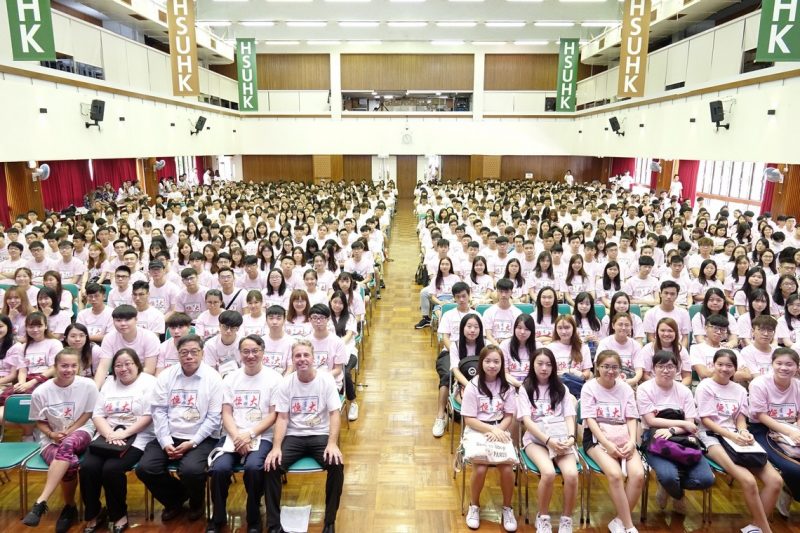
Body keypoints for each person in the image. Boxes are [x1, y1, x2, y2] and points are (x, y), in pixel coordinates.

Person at [135, 334, 223, 522]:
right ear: (178, 354)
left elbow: (214, 418)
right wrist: (166, 441)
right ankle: (175, 499)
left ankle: (196, 503)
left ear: (202, 353)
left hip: (202, 437)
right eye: (184, 352)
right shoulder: (166, 376)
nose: (189, 356)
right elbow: (158, 412)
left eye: (194, 352)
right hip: (170, 434)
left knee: (191, 471)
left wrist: (192, 443)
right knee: (145, 468)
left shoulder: (213, 378)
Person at [695, 349, 782, 533]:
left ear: (735, 368)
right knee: (748, 481)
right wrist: (732, 436)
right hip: (711, 436)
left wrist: (743, 432)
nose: (724, 369)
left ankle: (756, 527)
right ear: (713, 365)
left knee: (775, 481)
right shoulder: (705, 386)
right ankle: (766, 530)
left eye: (729, 365)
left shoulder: (740, 390)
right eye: (720, 364)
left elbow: (740, 419)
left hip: (736, 437)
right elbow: (707, 421)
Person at [264, 340, 344, 533]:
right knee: (271, 466)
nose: (302, 359)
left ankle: (330, 521)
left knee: (336, 464)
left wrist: (332, 443)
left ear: (313, 358)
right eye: (297, 356)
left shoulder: (326, 380)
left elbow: (334, 413)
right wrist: (276, 448)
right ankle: (274, 525)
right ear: (292, 359)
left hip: (319, 435)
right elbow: (282, 417)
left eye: (305, 355)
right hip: (294, 436)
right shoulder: (285, 383)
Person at [207, 335, 282, 533]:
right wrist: (237, 436)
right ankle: (218, 518)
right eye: (246, 352)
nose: (250, 355)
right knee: (219, 469)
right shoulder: (231, 378)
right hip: (233, 435)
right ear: (239, 354)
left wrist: (249, 434)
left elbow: (274, 414)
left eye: (255, 351)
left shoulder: (274, 378)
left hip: (261, 435)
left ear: (263, 352)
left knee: (254, 468)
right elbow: (226, 412)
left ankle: (254, 519)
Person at [79, 348, 157, 533]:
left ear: (137, 364)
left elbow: (148, 416)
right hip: (107, 436)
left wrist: (124, 433)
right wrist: (109, 434)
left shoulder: (149, 382)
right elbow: (98, 414)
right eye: (118, 365)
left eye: (128, 363)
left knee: (111, 469)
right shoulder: (109, 382)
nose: (123, 368)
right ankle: (94, 513)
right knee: (88, 468)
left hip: (137, 436)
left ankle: (118, 514)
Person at [22, 349, 99, 532]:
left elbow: (88, 414)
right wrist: (51, 434)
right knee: (70, 464)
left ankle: (41, 501)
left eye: (74, 366)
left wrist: (69, 431)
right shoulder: (41, 391)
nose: (69, 370)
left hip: (82, 431)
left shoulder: (88, 385)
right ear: (55, 367)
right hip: (51, 439)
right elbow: (39, 422)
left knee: (69, 443)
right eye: (64, 365)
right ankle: (70, 507)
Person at [637, 350, 714, 514]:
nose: (666, 370)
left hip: (683, 438)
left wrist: (672, 429)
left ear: (677, 369)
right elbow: (651, 421)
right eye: (661, 366)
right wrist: (682, 423)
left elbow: (692, 425)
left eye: (670, 366)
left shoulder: (684, 390)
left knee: (706, 480)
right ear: (653, 368)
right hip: (655, 436)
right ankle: (677, 494)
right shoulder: (644, 389)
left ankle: (668, 487)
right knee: (669, 477)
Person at [580, 350, 644, 533]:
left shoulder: (625, 388)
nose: (610, 371)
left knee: (638, 475)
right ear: (597, 367)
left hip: (623, 436)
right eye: (605, 366)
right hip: (596, 438)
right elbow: (590, 420)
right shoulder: (589, 387)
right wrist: (607, 445)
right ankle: (629, 526)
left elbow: (631, 418)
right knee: (615, 475)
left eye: (614, 367)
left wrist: (632, 442)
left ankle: (619, 521)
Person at [517, 347, 578, 533]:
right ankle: (542, 516)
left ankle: (566, 519)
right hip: (536, 440)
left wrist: (571, 437)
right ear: (533, 365)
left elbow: (569, 416)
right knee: (549, 473)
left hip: (560, 438)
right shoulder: (525, 388)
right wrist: (548, 440)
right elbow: (527, 421)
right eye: (540, 364)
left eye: (548, 364)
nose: (544, 368)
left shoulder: (562, 388)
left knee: (572, 475)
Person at [461, 345, 518, 532]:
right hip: (478, 429)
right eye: (488, 361)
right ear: (481, 363)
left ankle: (507, 508)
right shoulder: (473, 385)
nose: (492, 365)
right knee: (480, 468)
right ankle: (474, 505)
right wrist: (490, 430)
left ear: (502, 364)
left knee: (507, 469)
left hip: (499, 428)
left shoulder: (507, 387)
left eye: (496, 361)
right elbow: (469, 419)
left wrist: (499, 430)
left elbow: (509, 415)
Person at [747, 347, 800, 518]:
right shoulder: (759, 384)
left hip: (792, 429)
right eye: (779, 363)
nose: (784, 368)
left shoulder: (798, 385)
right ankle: (789, 490)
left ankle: (789, 490)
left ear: (797, 367)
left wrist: (796, 429)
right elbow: (761, 416)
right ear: (772, 365)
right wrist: (790, 432)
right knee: (793, 468)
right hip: (763, 430)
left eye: (789, 364)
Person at [95, 305, 160, 387]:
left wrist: (127, 374)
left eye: (127, 320)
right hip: (120, 377)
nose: (123, 324)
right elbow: (103, 368)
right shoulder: (109, 338)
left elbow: (150, 369)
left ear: (136, 319)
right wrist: (96, 389)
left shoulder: (149, 337)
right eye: (118, 320)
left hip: (143, 377)